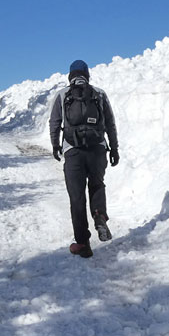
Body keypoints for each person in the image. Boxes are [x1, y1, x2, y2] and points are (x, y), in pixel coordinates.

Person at [48, 59, 120, 258]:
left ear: (70, 76)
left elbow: (54, 123)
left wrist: (55, 145)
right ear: (87, 75)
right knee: (97, 184)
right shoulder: (99, 94)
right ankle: (99, 216)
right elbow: (110, 124)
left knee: (77, 197)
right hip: (97, 149)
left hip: (73, 151)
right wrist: (114, 148)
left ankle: (83, 244)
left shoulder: (62, 95)